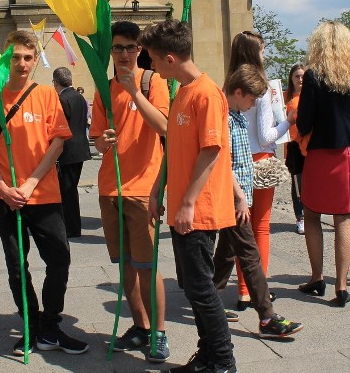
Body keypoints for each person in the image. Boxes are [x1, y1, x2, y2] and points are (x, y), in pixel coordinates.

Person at [0, 30, 88, 356]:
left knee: (60, 259)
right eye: (16, 58)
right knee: (15, 265)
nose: (22, 64)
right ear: (6, 60)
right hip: (6, 199)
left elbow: (58, 141)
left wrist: (31, 182)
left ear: (36, 59)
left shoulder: (47, 95)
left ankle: (51, 324)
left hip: (44, 194)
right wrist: (3, 187)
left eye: (28, 57)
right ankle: (31, 323)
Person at [141, 19, 237, 373]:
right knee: (193, 286)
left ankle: (223, 361)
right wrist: (157, 189)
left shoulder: (207, 93)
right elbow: (175, 148)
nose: (149, 67)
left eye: (151, 59)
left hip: (199, 210)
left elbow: (211, 152)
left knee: (201, 289)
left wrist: (187, 203)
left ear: (169, 58)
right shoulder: (182, 91)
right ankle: (208, 355)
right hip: (183, 208)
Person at [89, 21, 170, 362]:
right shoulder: (103, 89)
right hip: (110, 187)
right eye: (117, 48)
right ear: (110, 51)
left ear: (140, 50)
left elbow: (165, 126)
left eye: (130, 47)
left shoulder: (154, 83)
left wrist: (135, 92)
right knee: (125, 266)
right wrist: (101, 142)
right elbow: (96, 138)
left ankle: (160, 332)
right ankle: (141, 327)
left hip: (143, 188)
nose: (123, 54)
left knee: (148, 265)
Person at [213, 64, 304, 339]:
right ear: (238, 92)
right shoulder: (224, 118)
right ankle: (267, 316)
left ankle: (209, 301)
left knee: (227, 253)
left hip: (241, 194)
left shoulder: (238, 115)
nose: (253, 105)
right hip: (234, 196)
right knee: (249, 254)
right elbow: (222, 161)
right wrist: (240, 197)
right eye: (252, 100)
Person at [296, 21, 350, 308]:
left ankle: (317, 277)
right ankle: (341, 286)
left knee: (312, 213)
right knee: (344, 217)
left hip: (321, 152)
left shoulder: (314, 77)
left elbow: (304, 120)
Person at [223, 30, 296, 309]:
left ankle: (243, 290)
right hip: (261, 162)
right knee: (261, 229)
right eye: (263, 50)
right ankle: (259, 290)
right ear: (255, 52)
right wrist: (288, 122)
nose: (265, 55)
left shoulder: (228, 83)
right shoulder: (261, 86)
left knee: (242, 230)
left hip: (235, 165)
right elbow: (266, 135)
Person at [52, 67, 91, 238]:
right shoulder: (79, 97)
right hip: (80, 148)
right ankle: (71, 225)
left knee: (67, 190)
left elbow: (60, 126)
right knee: (70, 189)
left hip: (67, 150)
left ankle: (71, 227)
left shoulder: (62, 98)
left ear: (56, 82)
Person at [285, 63, 306, 235]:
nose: (300, 79)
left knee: (311, 181)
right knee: (297, 183)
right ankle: (300, 217)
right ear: (291, 79)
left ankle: (311, 213)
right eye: (297, 76)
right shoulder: (286, 98)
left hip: (310, 142)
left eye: (303, 76)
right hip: (293, 144)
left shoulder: (311, 96)